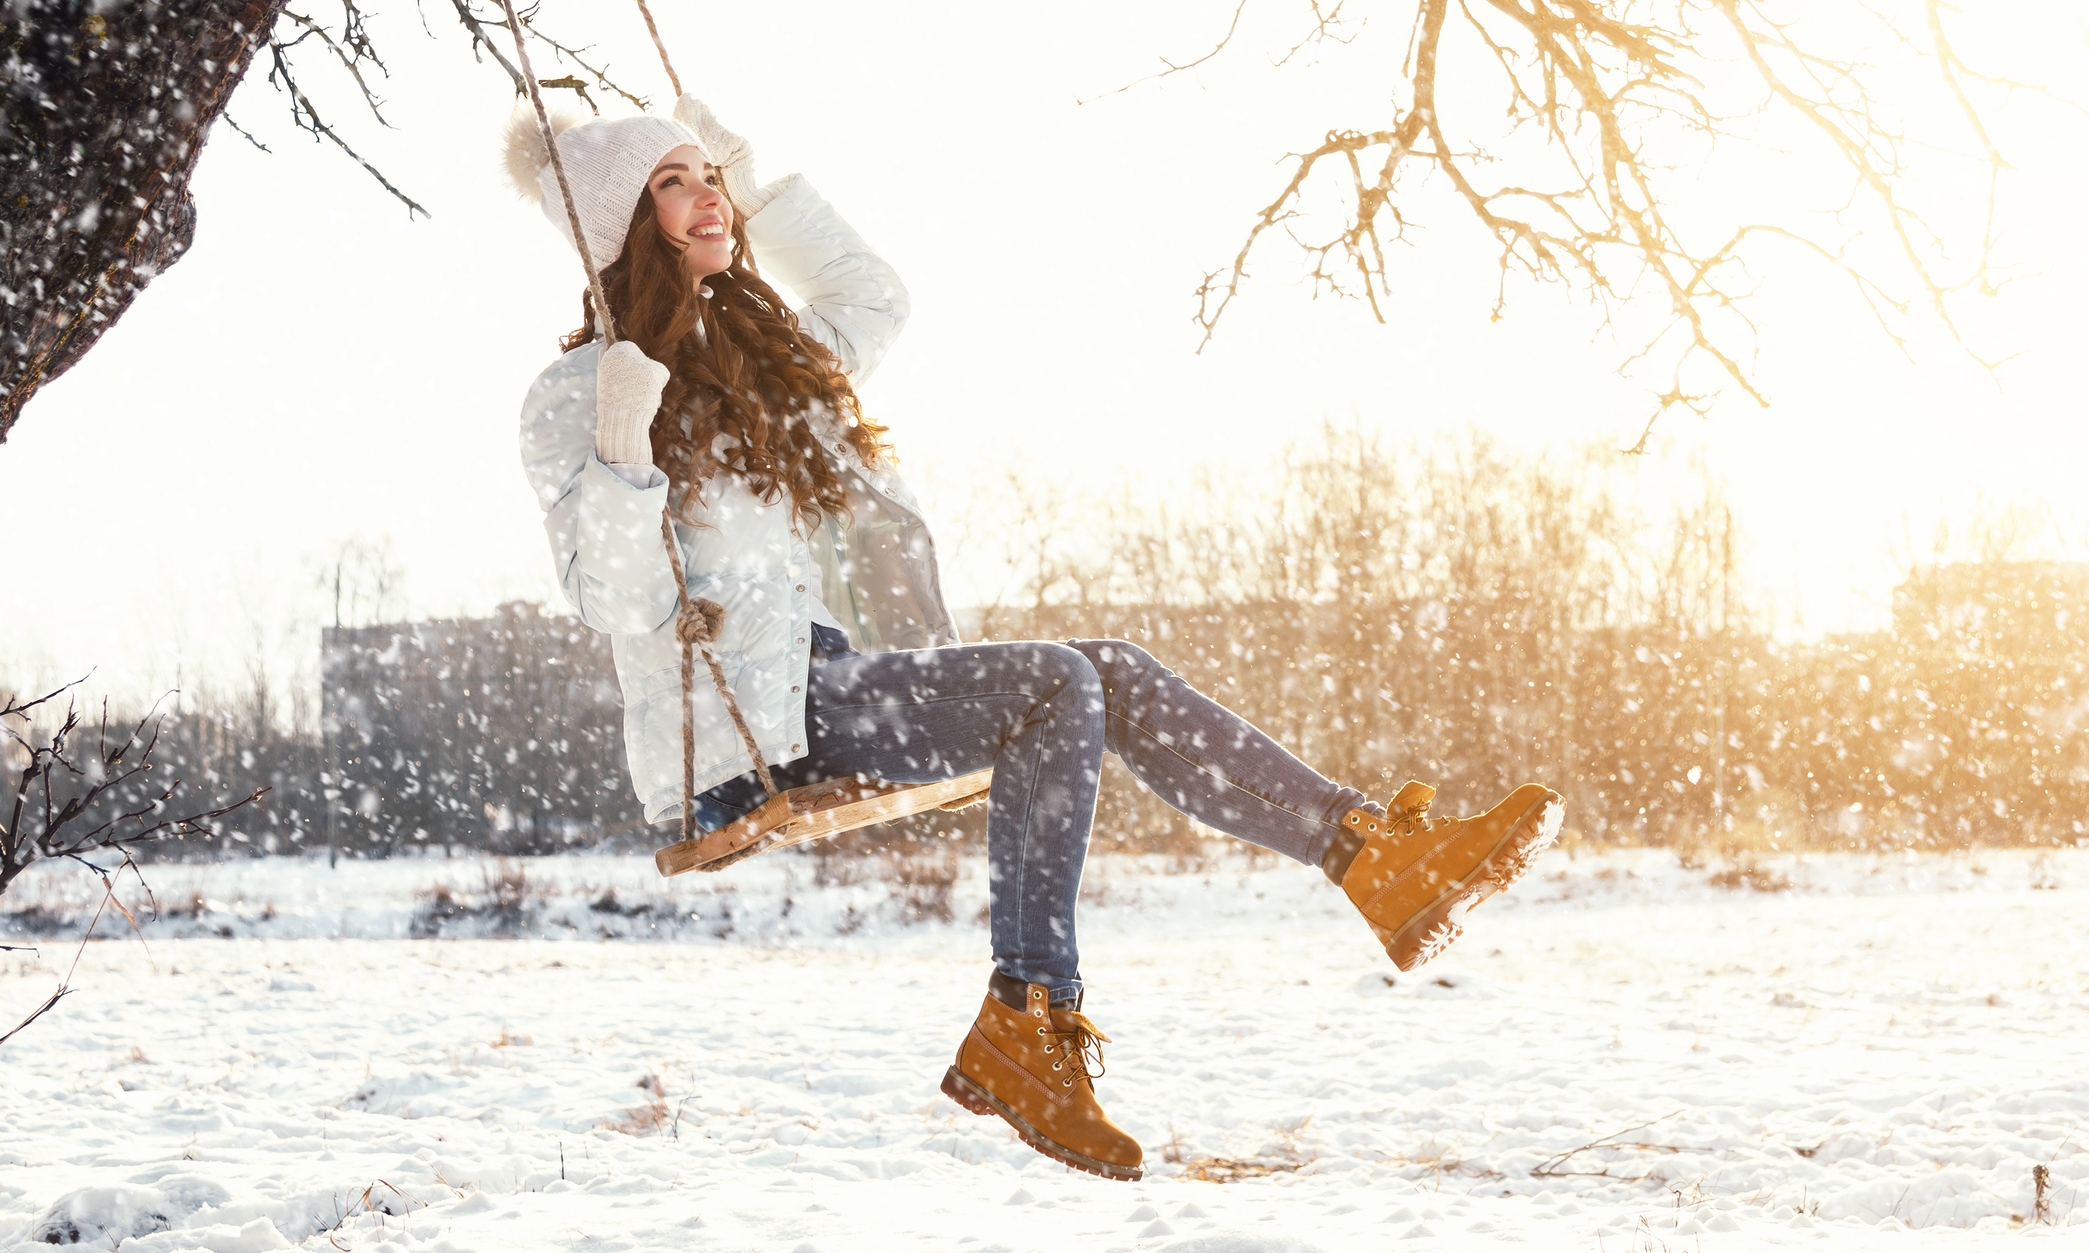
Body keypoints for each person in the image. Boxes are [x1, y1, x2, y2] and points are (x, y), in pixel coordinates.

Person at [511, 97, 1565, 1183]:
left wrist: (757, 179)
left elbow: (874, 296)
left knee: (1101, 665)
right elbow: (618, 601)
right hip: (744, 736)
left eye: (710, 174)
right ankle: (1028, 1011)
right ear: (622, 226)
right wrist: (623, 448)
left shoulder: (759, 357)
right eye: (675, 181)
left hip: (825, 678)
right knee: (1059, 681)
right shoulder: (576, 396)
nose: (709, 196)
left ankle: (1370, 854)